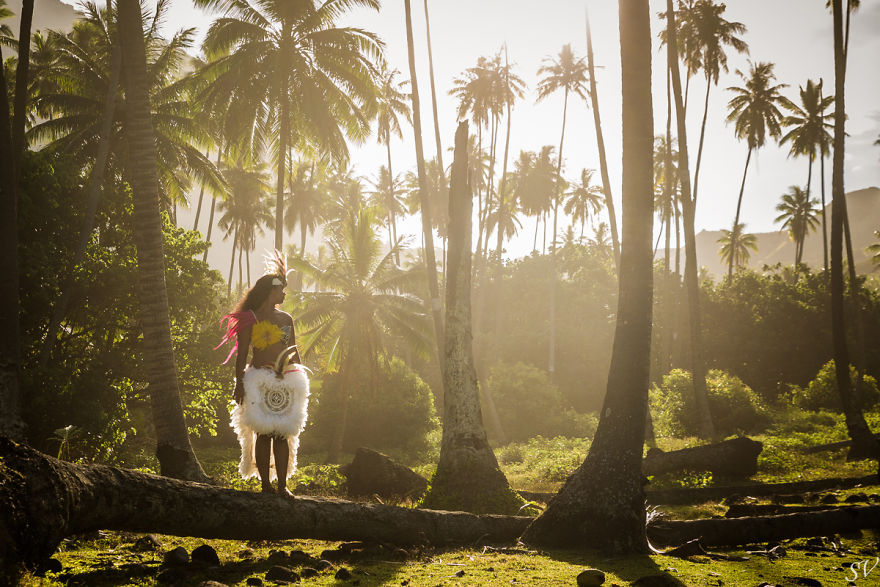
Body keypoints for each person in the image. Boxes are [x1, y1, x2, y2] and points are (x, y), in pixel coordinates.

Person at [216, 253, 308, 495]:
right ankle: (266, 485)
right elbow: (242, 354)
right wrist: (239, 385)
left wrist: (300, 381)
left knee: (282, 434)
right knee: (264, 434)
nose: (285, 294)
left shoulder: (286, 318)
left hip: (285, 380)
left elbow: (292, 350)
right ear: (271, 291)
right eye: (282, 290)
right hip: (259, 380)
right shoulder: (250, 320)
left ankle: (282, 485)